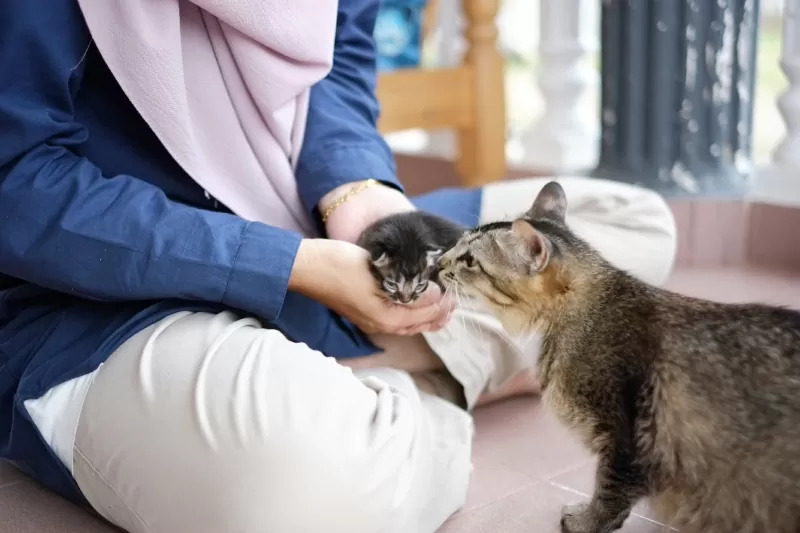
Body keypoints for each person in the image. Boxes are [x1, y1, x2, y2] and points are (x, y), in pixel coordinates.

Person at [0, 0, 677, 532]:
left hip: (311, 235)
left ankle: (354, 381)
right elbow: (17, 182)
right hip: (94, 303)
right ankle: (426, 388)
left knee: (631, 226)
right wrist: (284, 263)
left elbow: (338, 61)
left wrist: (357, 192)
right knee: (301, 487)